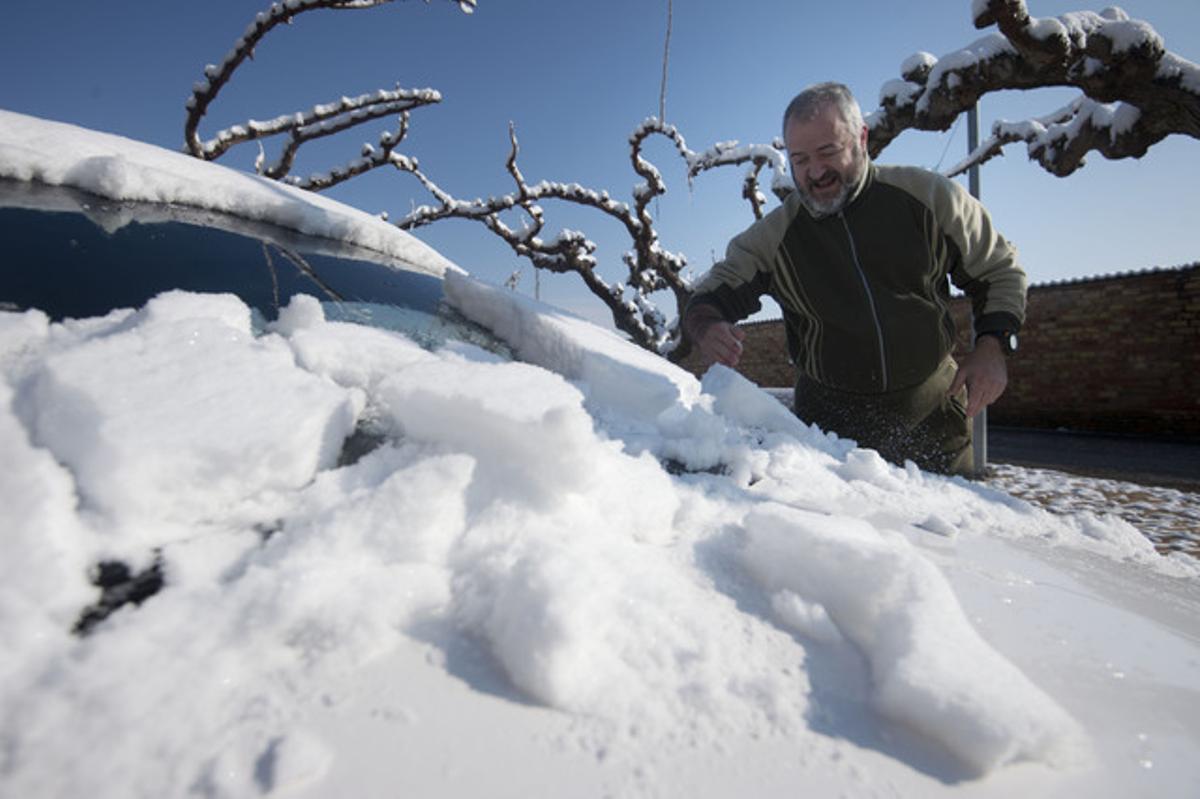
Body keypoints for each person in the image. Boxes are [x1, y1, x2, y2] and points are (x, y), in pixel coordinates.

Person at [684, 82, 1026, 475]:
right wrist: (706, 325)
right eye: (799, 159)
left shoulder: (929, 199)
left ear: (862, 138)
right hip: (828, 432)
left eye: (828, 152)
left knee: (945, 533)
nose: (814, 172)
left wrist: (993, 346)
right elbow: (710, 293)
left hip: (933, 415)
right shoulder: (776, 236)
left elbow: (998, 271)